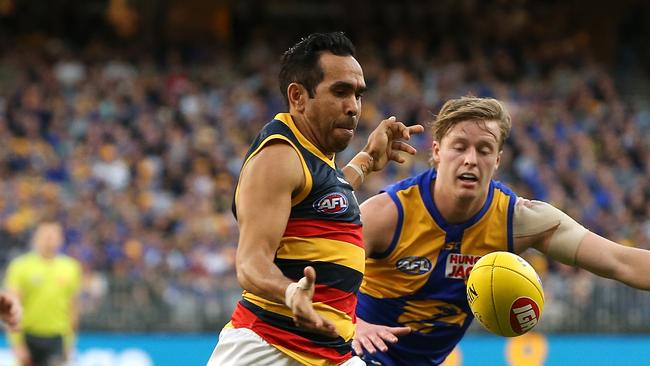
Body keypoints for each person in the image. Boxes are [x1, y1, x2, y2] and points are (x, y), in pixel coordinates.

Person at [352, 96, 650, 366]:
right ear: (437, 151)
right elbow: (310, 266)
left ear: (497, 160)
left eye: (484, 150)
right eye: (459, 147)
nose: (471, 159)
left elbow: (619, 261)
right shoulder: (388, 214)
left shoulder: (517, 220)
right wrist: (354, 324)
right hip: (351, 353)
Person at [206, 32, 423, 366]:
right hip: (269, 347)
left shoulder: (315, 157)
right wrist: (292, 293)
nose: (353, 107)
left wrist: (366, 160)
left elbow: (324, 202)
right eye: (340, 92)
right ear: (298, 97)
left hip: (329, 352)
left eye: (357, 94)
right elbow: (250, 264)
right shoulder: (279, 156)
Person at [4, 219, 82, 366]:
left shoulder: (71, 268)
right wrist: (16, 343)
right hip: (28, 336)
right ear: (36, 237)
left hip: (56, 338)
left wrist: (70, 341)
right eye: (45, 234)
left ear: (61, 239)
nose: (49, 239)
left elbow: (73, 307)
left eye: (53, 235)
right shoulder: (20, 266)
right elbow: (10, 307)